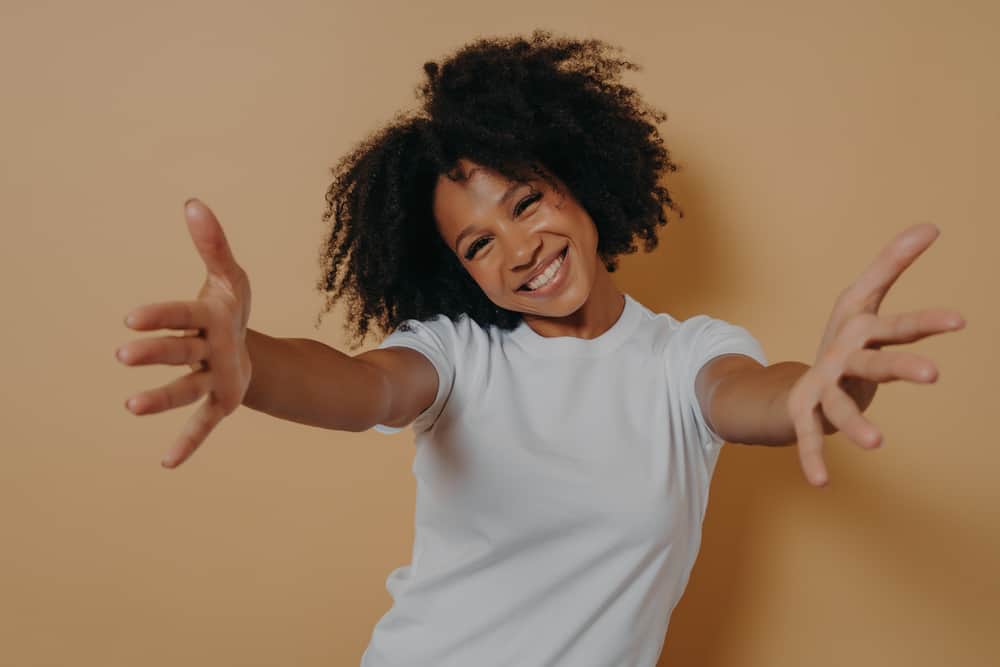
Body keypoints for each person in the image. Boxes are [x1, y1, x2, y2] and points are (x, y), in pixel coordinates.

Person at [116, 30, 966, 667]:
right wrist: (250, 361)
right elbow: (359, 387)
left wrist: (829, 385)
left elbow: (757, 397)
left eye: (525, 202)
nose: (517, 247)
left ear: (582, 181)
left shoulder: (683, 358)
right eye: (477, 245)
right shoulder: (457, 357)